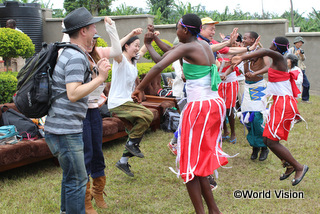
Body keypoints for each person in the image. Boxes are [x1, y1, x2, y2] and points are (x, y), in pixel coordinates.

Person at [133, 13, 229, 214]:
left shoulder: (189, 47)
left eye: (177, 28)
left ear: (185, 30)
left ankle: (206, 211)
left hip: (200, 108)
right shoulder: (200, 45)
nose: (176, 32)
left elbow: (160, 65)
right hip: (211, 105)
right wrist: (150, 43)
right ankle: (213, 210)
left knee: (189, 164)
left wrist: (139, 88)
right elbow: (166, 54)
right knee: (198, 162)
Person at [44, 7, 111, 214]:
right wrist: (100, 78)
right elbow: (73, 93)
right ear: (83, 31)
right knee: (78, 179)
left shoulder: (71, 53)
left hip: (59, 128)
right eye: (92, 27)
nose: (94, 30)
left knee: (70, 178)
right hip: (65, 131)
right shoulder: (75, 56)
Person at [232, 37, 309, 186]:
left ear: (275, 45)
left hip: (284, 104)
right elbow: (263, 53)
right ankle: (289, 165)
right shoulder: (275, 60)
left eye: (272, 43)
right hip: (278, 103)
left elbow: (265, 51)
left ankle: (299, 167)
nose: (270, 45)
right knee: (267, 139)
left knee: (272, 141)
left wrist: (241, 57)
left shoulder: (279, 57)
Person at [82, 18, 121, 213]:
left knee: (97, 151)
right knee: (86, 153)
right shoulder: (75, 54)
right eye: (91, 37)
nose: (93, 42)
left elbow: (118, 51)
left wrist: (111, 28)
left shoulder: (97, 55)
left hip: (94, 111)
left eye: (96, 39)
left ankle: (98, 192)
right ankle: (86, 198)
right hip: (80, 113)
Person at [109, 28, 154, 177]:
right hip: (118, 102)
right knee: (147, 115)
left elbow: (142, 49)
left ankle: (123, 161)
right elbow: (115, 50)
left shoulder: (133, 60)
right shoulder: (120, 60)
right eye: (134, 45)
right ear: (126, 46)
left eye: (137, 45)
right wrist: (130, 34)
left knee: (136, 131)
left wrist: (150, 39)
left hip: (127, 101)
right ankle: (131, 145)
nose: (137, 48)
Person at [240, 31, 270, 161]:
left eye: (246, 38)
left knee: (258, 119)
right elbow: (243, 68)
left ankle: (264, 147)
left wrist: (255, 73)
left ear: (252, 40)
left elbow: (269, 67)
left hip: (258, 87)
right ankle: (254, 146)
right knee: (248, 118)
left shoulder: (262, 51)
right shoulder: (245, 51)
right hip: (248, 87)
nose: (243, 40)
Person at [288, 36, 310, 103]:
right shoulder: (291, 50)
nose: (300, 44)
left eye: (301, 43)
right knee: (292, 84)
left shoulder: (301, 50)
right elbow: (288, 58)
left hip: (301, 69)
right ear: (295, 43)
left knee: (306, 84)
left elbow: (303, 59)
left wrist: (301, 54)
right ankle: (291, 98)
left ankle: (305, 99)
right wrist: (295, 54)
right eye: (299, 43)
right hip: (293, 70)